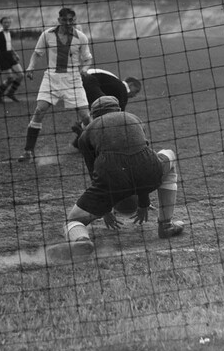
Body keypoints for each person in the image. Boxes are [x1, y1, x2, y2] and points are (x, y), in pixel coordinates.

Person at [52, 95, 184, 261]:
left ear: (93, 115)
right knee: (169, 154)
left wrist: (105, 210)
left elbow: (94, 173)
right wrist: (143, 203)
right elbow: (142, 159)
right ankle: (165, 224)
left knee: (72, 220)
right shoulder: (133, 118)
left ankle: (81, 240)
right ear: (119, 109)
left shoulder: (85, 134)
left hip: (111, 179)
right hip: (149, 172)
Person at [17, 7, 93, 163]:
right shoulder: (47, 34)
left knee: (85, 116)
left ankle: (96, 146)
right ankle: (28, 152)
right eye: (64, 20)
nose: (68, 23)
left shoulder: (81, 37)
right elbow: (37, 53)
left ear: (75, 20)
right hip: (51, 78)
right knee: (39, 110)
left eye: (71, 20)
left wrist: (85, 69)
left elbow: (87, 59)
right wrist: (31, 67)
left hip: (73, 79)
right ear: (59, 20)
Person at [69, 68, 142, 143]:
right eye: (136, 91)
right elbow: (119, 117)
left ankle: (82, 130)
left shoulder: (113, 82)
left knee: (99, 112)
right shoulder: (122, 89)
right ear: (130, 85)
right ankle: (83, 131)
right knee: (106, 114)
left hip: (77, 81)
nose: (135, 95)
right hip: (88, 81)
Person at [0, 16, 23, 103]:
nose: (7, 24)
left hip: (10, 56)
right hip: (2, 57)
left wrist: (15, 54)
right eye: (5, 22)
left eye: (8, 22)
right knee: (10, 78)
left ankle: (10, 93)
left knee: (21, 75)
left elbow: (9, 45)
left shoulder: (9, 32)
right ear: (1, 23)